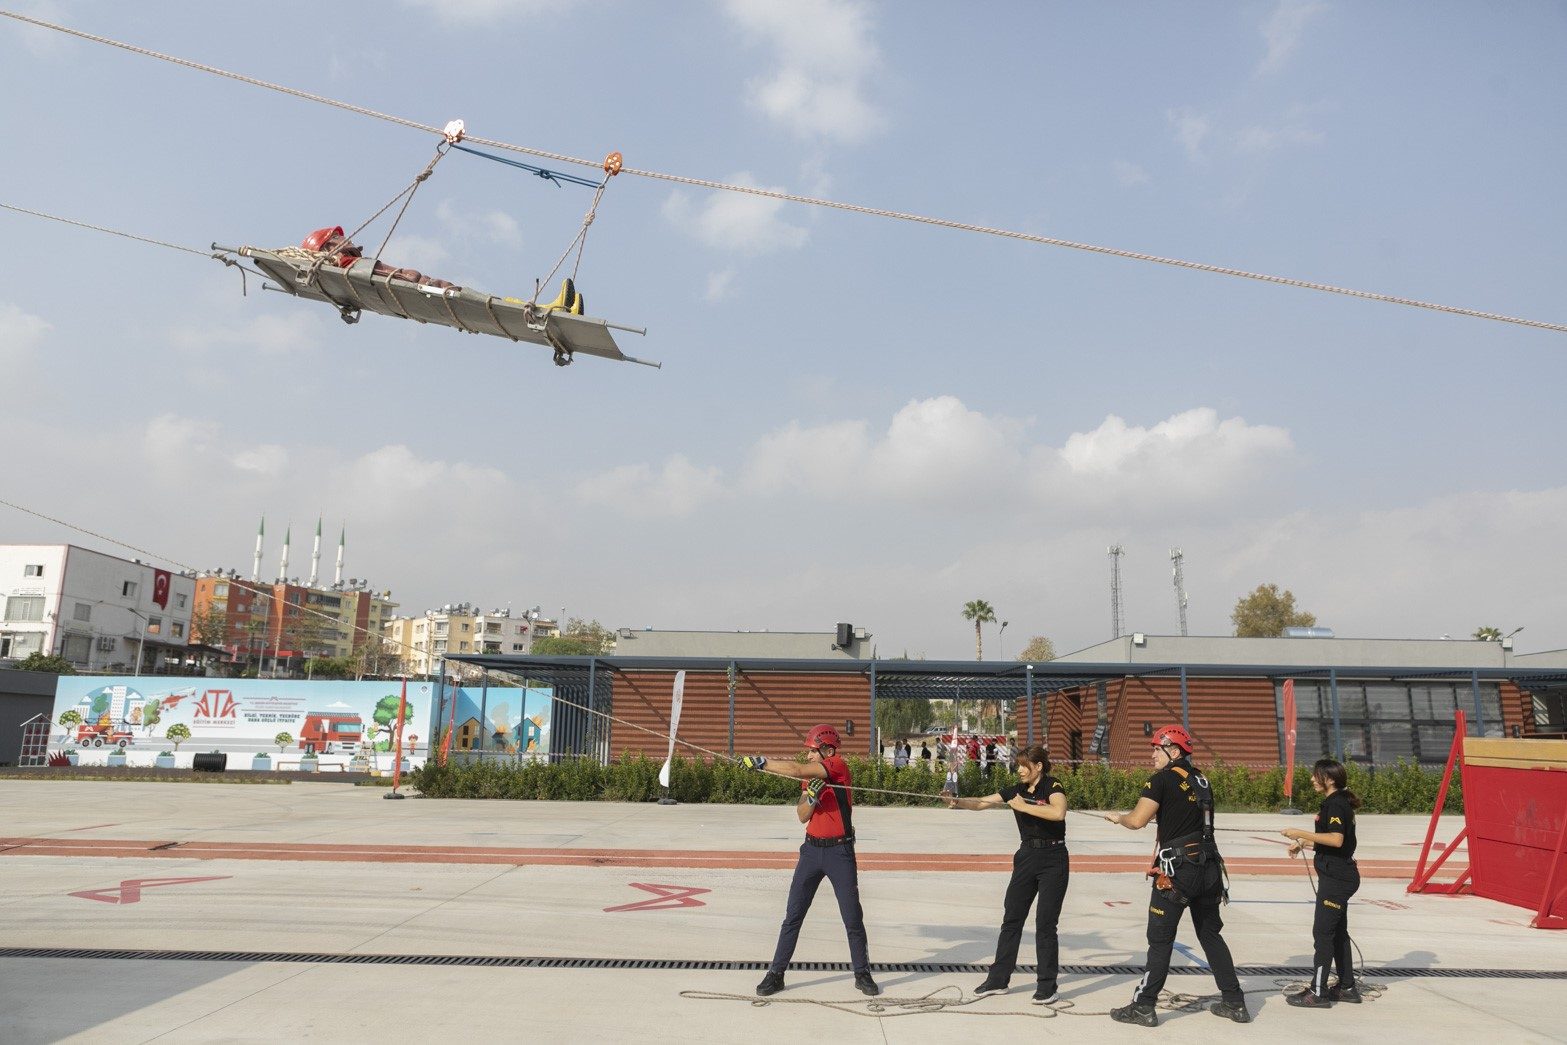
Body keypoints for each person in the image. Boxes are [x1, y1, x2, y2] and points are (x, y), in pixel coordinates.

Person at [1103, 724, 1250, 1026]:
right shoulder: (1201, 779)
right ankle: (1234, 1002)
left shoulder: (1161, 780)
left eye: (1157, 749)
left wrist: (1119, 818)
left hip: (1178, 871)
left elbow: (1138, 820)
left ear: (1173, 751)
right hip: (1208, 869)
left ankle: (1144, 1005)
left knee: (1159, 940)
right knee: (1210, 934)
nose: (1152, 754)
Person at [741, 725, 879, 998]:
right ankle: (776, 974)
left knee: (852, 918)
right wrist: (812, 799)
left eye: (813, 752)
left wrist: (762, 762)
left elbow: (796, 769)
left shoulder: (838, 765)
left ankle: (862, 974)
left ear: (828, 750)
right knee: (793, 916)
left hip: (840, 853)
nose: (809, 757)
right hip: (811, 853)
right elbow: (802, 815)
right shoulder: (811, 778)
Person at [945, 744, 1069, 1004]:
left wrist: (1024, 807)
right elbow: (981, 803)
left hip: (1053, 859)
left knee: (1046, 924)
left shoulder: (1053, 786)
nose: (1020, 770)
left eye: (1025, 765)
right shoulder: (1016, 791)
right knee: (1012, 919)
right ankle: (998, 979)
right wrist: (957, 802)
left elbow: (1058, 812)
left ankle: (1047, 985)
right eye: (1018, 765)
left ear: (1039, 767)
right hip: (1026, 857)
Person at [1281, 758, 1363, 1007]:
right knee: (1337, 932)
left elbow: (1337, 840)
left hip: (1337, 878)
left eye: (1315, 775)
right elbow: (1335, 841)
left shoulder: (1337, 803)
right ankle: (1347, 986)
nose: (1311, 779)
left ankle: (1318, 993)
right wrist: (1305, 843)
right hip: (1337, 873)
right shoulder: (1335, 802)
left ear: (1328, 779)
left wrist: (1300, 833)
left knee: (1323, 933)